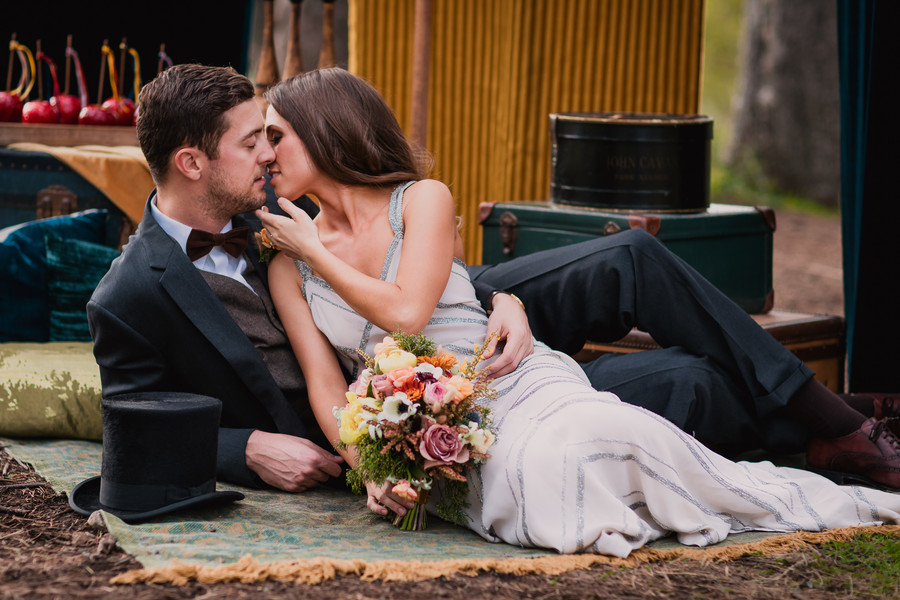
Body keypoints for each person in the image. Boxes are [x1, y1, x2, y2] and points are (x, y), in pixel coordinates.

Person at [88, 63, 898, 501]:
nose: (267, 152)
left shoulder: (278, 204)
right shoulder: (133, 294)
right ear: (192, 163)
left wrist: (496, 299)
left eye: (273, 135)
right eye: (251, 141)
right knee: (682, 380)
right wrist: (248, 447)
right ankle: (821, 430)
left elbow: (400, 277)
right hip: (387, 395)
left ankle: (836, 421)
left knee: (630, 257)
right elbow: (123, 418)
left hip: (447, 324)